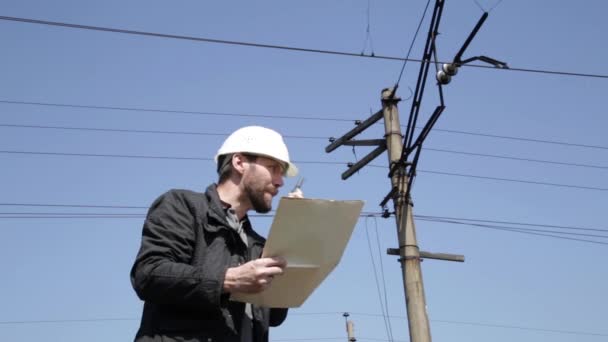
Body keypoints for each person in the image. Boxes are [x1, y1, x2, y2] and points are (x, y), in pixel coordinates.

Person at [130, 126, 301, 342]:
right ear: (239, 163)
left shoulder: (258, 245)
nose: (280, 181)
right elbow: (149, 274)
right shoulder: (183, 206)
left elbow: (274, 316)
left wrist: (292, 231)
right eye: (273, 168)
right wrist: (228, 280)